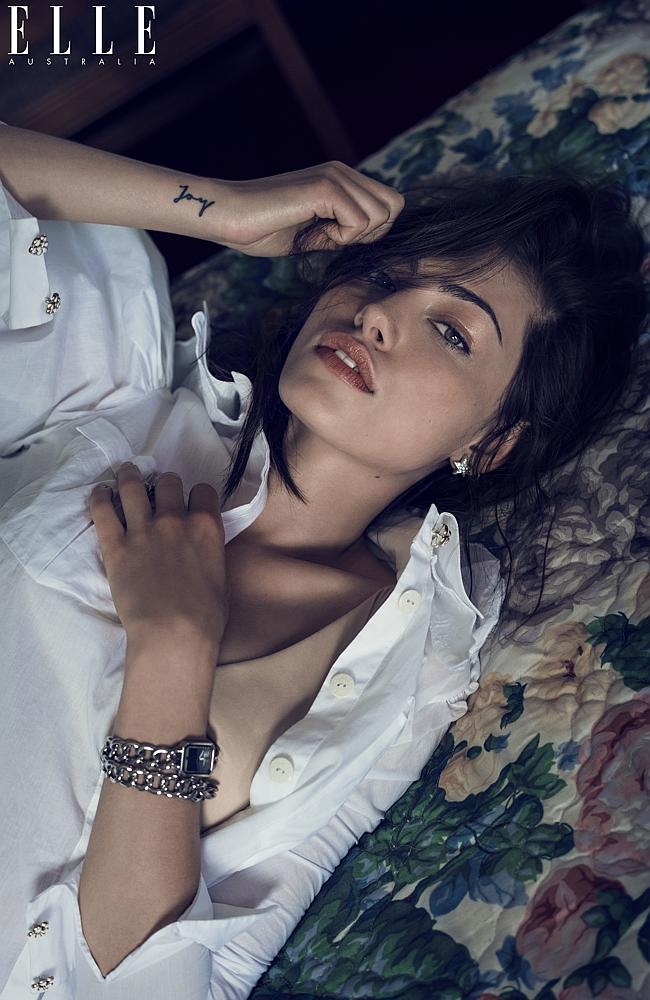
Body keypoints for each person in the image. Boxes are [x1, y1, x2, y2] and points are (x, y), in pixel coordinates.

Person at [0, 122, 646, 999]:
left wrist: (173, 649)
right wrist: (220, 208)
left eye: (452, 331)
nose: (375, 314)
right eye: (382, 276)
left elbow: (166, 979)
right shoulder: (121, 400)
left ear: (493, 442)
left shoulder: (405, 670)